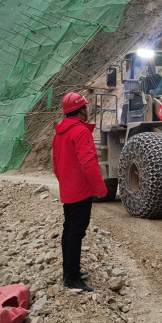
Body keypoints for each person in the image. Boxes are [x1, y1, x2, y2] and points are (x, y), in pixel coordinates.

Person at [52, 91, 107, 291]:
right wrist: (99, 188)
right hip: (80, 190)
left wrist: (64, 182)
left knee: (69, 230)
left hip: (69, 189)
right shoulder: (81, 131)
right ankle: (71, 277)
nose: (88, 110)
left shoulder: (60, 133)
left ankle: (69, 270)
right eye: (86, 107)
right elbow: (88, 162)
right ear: (81, 110)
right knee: (76, 232)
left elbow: (56, 164)